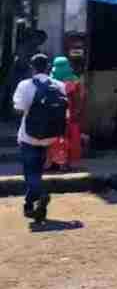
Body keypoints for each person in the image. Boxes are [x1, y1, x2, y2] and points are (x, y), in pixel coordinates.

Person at [13, 53, 65, 223]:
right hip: (50, 137)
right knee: (37, 172)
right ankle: (30, 206)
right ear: (48, 67)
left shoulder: (25, 85)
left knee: (30, 172)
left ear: (32, 67)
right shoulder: (59, 85)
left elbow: (19, 108)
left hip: (29, 136)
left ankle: (41, 195)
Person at [46, 55, 84, 171]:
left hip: (54, 115)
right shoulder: (74, 81)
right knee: (69, 138)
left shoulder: (50, 80)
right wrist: (77, 112)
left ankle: (54, 162)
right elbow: (79, 98)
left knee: (54, 139)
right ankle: (67, 163)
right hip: (69, 114)